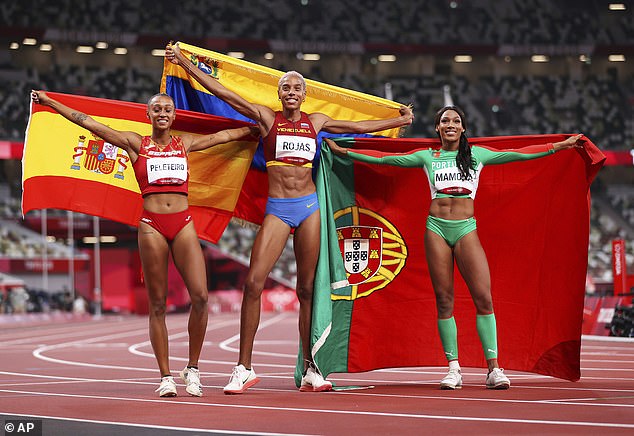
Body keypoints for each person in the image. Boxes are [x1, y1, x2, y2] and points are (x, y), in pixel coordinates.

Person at [165, 42, 414, 394]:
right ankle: (243, 368)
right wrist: (187, 65)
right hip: (278, 210)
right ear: (279, 94)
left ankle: (312, 367)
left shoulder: (318, 121)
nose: (291, 92)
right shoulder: (267, 118)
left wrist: (398, 120)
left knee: (309, 289)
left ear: (304, 93)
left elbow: (359, 125)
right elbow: (223, 91)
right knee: (254, 283)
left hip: (309, 207)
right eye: (286, 87)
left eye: (297, 87)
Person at [325, 105, 584, 390]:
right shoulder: (427, 156)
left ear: (463, 128)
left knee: (483, 298)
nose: (450, 124)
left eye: (456, 120)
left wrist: (560, 146)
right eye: (445, 120)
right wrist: (345, 153)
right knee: (444, 300)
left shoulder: (477, 155)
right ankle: (453, 369)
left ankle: (494, 369)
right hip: (436, 229)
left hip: (465, 228)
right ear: (437, 128)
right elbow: (387, 159)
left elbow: (519, 153)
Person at [31, 90, 258, 397]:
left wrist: (254, 129)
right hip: (152, 226)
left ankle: (192, 368)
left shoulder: (185, 143)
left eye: (167, 109)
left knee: (201, 297)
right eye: (157, 109)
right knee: (157, 304)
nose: (163, 113)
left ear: (174, 116)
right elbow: (90, 124)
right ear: (148, 115)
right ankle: (165, 376)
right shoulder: (136, 144)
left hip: (184, 224)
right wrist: (50, 102)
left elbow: (223, 137)